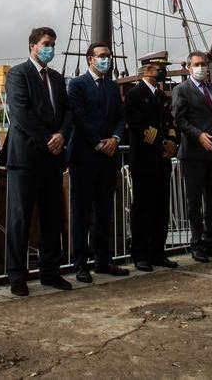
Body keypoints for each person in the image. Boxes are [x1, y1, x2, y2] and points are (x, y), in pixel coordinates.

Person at [1, 27, 75, 296]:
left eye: (53, 44)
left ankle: (50, 271)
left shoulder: (56, 78)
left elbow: (67, 111)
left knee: (52, 215)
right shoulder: (18, 74)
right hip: (26, 157)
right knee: (20, 217)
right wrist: (49, 140)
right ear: (32, 46)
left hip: (52, 159)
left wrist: (62, 135)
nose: (50, 49)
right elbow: (21, 113)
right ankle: (17, 275)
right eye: (46, 44)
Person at [66, 41, 130, 283]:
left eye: (109, 56)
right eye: (102, 56)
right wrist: (98, 142)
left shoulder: (112, 87)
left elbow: (120, 117)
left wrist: (115, 137)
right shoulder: (77, 85)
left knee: (104, 210)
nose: (107, 59)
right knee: (82, 211)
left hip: (108, 158)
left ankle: (104, 260)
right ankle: (81, 263)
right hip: (85, 156)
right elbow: (78, 118)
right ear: (90, 59)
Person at [172, 51, 212, 262]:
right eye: (197, 64)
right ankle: (196, 243)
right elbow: (179, 120)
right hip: (193, 153)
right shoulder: (181, 90)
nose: (201, 68)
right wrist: (198, 135)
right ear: (189, 67)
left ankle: (211, 241)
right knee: (194, 201)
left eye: (203, 64)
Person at [124, 51, 179, 272]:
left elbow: (169, 122)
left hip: (162, 160)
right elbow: (136, 124)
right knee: (143, 207)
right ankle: (141, 254)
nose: (162, 71)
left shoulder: (161, 96)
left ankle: (158, 251)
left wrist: (173, 142)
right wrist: (162, 142)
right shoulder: (134, 95)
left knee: (160, 207)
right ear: (147, 70)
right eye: (159, 68)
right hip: (145, 158)